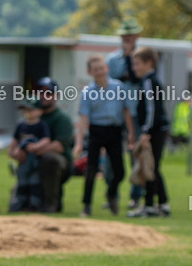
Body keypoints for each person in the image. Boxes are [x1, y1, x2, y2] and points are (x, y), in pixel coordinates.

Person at [75, 55, 135, 217]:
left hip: (115, 131)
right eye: (96, 70)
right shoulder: (88, 92)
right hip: (96, 131)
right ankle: (86, 205)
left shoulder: (119, 87)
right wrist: (79, 142)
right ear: (90, 72)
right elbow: (82, 117)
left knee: (120, 171)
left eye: (102, 68)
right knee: (91, 169)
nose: (100, 72)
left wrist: (130, 133)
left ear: (106, 68)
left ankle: (111, 193)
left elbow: (126, 111)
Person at [127, 47, 170, 218]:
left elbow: (152, 109)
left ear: (148, 63)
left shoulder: (149, 81)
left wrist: (146, 132)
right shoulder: (150, 80)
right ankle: (162, 203)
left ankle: (150, 206)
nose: (134, 68)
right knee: (154, 167)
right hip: (156, 130)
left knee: (150, 167)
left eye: (137, 64)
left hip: (154, 131)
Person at [107, 18, 145, 209]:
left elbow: (139, 79)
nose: (126, 40)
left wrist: (131, 58)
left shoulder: (143, 58)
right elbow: (109, 81)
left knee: (135, 154)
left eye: (130, 36)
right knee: (111, 156)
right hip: (115, 113)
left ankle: (135, 196)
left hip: (136, 113)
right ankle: (111, 194)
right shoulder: (112, 59)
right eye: (124, 37)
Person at [28, 77, 75, 213]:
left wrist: (35, 150)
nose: (44, 96)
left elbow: (59, 146)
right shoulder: (34, 117)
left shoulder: (62, 118)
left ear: (56, 96)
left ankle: (51, 204)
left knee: (49, 159)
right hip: (35, 160)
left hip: (60, 164)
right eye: (41, 92)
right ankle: (25, 201)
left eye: (48, 93)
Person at [7, 100, 51, 212]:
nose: (27, 112)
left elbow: (46, 139)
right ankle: (19, 204)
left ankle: (34, 205)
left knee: (34, 182)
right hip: (22, 161)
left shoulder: (41, 125)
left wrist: (36, 146)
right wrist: (12, 151)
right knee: (22, 182)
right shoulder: (21, 124)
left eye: (30, 110)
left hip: (35, 159)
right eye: (25, 110)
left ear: (40, 112)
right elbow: (15, 140)